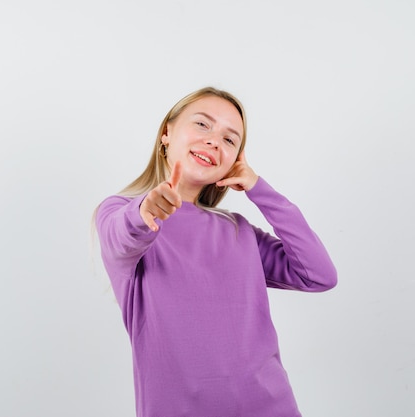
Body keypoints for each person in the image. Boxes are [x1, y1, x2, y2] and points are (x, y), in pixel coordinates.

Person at [94, 86, 337, 417]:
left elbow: (319, 275)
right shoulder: (122, 211)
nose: (214, 141)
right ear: (167, 133)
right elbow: (122, 237)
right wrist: (145, 210)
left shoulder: (238, 231)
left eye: (230, 140)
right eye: (203, 124)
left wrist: (258, 188)